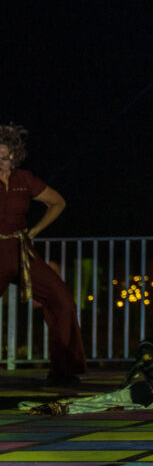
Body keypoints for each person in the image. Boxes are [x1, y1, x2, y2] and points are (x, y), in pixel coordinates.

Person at [0, 124, 86, 385]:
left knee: (61, 299)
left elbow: (57, 202)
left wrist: (34, 231)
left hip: (21, 250)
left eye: (4, 157)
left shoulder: (24, 179)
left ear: (14, 156)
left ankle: (62, 370)